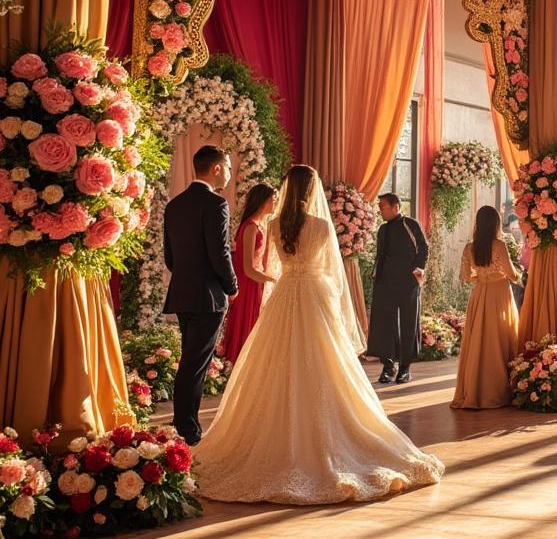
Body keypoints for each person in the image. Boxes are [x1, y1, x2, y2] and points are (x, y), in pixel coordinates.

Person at [194, 165, 444, 503]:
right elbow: (331, 273)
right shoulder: (322, 226)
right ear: (311, 191)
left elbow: (272, 268)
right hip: (314, 295)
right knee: (325, 362)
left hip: (284, 295)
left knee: (277, 363)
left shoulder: (273, 224)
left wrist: (284, 281)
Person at [162, 146, 238, 445]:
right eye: (228, 167)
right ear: (216, 168)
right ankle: (187, 429)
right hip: (208, 297)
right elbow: (219, 253)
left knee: (190, 361)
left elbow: (170, 258)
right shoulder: (216, 204)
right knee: (195, 364)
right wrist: (231, 286)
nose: (230, 173)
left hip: (182, 293)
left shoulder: (174, 205)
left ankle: (181, 422)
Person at [452, 206, 522, 410]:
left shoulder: (469, 247)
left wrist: (481, 276)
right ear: (495, 224)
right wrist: (519, 275)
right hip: (499, 293)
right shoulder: (499, 245)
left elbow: (466, 277)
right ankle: (497, 390)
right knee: (498, 338)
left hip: (479, 293)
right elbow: (510, 273)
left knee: (479, 341)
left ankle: (475, 390)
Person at [367, 192, 429, 385]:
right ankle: (388, 366)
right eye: (379, 207)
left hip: (407, 283)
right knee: (385, 324)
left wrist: (417, 269)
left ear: (396, 207)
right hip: (384, 283)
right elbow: (381, 256)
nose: (380, 211)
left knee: (408, 323)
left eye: (383, 207)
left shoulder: (411, 225)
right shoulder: (383, 230)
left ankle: (404, 368)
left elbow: (424, 249)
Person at [218, 183, 277, 364]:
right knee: (246, 327)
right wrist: (273, 280)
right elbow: (248, 268)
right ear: (263, 201)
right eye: (272, 199)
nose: (275, 203)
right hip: (247, 284)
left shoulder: (260, 226)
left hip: (256, 283)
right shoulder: (250, 227)